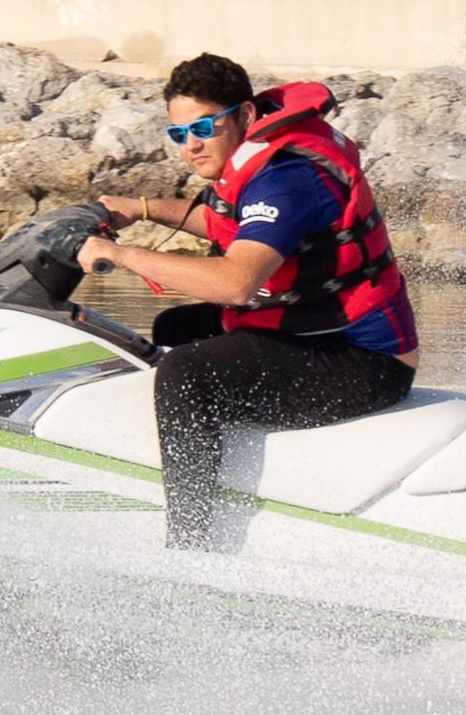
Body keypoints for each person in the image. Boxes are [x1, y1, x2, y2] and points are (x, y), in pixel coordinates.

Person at [79, 54, 421, 549]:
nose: (191, 145)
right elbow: (229, 223)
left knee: (185, 375)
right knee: (178, 329)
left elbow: (237, 282)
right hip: (315, 335)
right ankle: (224, 464)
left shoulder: (288, 176)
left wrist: (122, 255)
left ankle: (190, 547)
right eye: (178, 134)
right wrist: (142, 209)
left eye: (202, 128)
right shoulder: (260, 162)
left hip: (365, 363)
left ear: (243, 115)